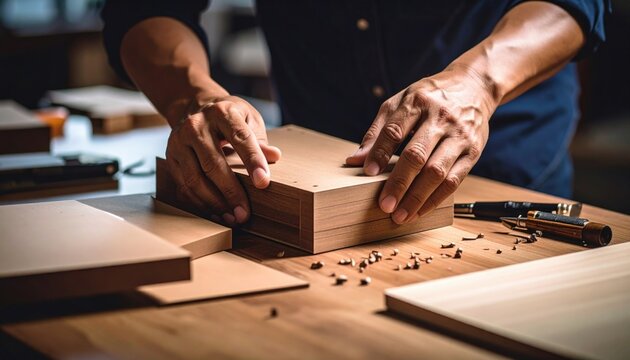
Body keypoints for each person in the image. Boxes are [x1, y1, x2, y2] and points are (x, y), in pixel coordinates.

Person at [101, 1, 609, 226]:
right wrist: (194, 98)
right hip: (297, 191)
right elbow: (144, 6)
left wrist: (479, 80)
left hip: (504, 171)